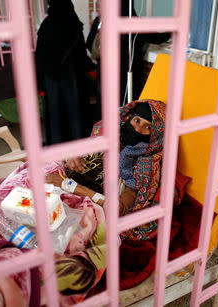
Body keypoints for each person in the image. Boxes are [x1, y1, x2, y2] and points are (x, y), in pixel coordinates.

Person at [46, 99, 166, 240]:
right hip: (55, 182)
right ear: (129, 117)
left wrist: (69, 186)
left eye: (148, 127)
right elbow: (79, 150)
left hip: (80, 210)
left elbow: (117, 209)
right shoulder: (107, 133)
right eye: (137, 120)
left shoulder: (145, 167)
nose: (138, 129)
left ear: (155, 135)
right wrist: (71, 156)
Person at [35, 0, 95, 145]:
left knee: (56, 118)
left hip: (53, 82)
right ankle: (77, 151)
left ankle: (57, 153)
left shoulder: (46, 26)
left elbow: (40, 57)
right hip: (74, 81)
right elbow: (81, 56)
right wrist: (93, 68)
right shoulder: (74, 25)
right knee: (76, 115)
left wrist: (41, 82)